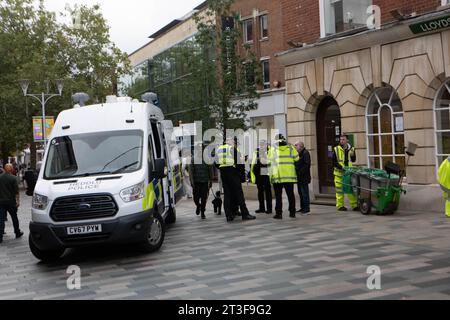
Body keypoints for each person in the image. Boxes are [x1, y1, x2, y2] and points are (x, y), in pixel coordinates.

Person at [216, 137, 255, 222]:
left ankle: (229, 216)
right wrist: (241, 176)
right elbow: (239, 163)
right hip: (232, 173)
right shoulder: (231, 149)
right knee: (239, 193)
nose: (234, 143)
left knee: (227, 194)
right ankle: (245, 214)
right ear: (230, 142)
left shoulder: (219, 149)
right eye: (233, 141)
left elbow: (216, 163)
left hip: (223, 173)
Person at [269, 134, 299, 219]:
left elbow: (269, 161)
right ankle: (292, 212)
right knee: (290, 195)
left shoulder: (273, 149)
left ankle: (279, 214)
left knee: (278, 196)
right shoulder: (291, 147)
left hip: (278, 176)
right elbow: (297, 158)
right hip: (289, 176)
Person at [333, 134, 359, 212]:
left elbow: (353, 160)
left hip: (348, 173)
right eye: (340, 139)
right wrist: (341, 167)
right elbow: (334, 162)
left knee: (351, 190)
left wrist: (353, 154)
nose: (341, 141)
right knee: (339, 191)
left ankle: (354, 205)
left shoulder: (351, 149)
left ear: (347, 140)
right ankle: (340, 206)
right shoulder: (336, 149)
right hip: (339, 174)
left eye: (343, 139)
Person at [189, 144, 214, 220]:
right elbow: (191, 172)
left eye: (202, 149)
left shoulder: (207, 159)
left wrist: (211, 181)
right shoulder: (193, 159)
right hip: (196, 182)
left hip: (205, 182)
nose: (200, 150)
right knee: (195, 198)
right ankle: (198, 206)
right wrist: (192, 181)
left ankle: (202, 212)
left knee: (204, 198)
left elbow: (211, 171)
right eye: (199, 149)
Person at [0, 164, 24, 244]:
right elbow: (16, 192)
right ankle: (17, 232)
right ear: (11, 169)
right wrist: (18, 201)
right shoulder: (13, 178)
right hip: (11, 202)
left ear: (4, 169)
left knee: (1, 219)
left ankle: (0, 236)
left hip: (1, 202)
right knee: (14, 217)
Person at [250, 140, 272, 214]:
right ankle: (261, 208)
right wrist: (252, 171)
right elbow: (253, 161)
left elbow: (271, 161)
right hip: (258, 172)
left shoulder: (270, 151)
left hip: (265, 171)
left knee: (267, 191)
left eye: (264, 144)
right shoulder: (256, 151)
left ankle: (269, 208)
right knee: (260, 191)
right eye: (261, 144)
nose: (262, 146)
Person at [295, 141, 311, 215]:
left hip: (304, 177)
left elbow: (307, 165)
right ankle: (302, 207)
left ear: (301, 146)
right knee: (300, 193)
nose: (295, 147)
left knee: (305, 193)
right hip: (299, 177)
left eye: (296, 145)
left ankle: (306, 208)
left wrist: (299, 172)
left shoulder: (305, 153)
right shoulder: (298, 154)